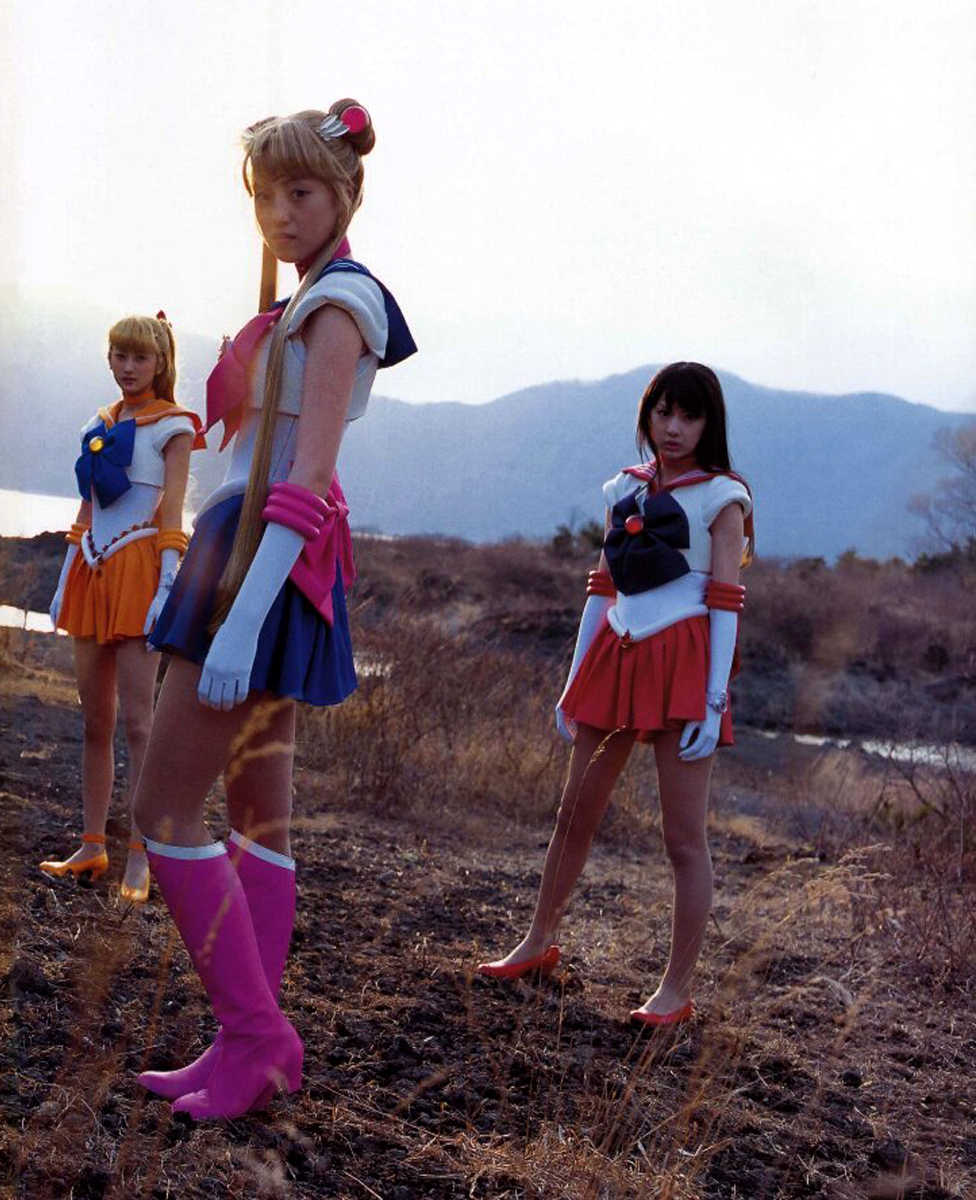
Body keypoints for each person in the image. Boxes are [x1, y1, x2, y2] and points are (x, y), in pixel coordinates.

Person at [131, 100, 416, 1120]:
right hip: (253, 550)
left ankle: (257, 1033)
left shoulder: (339, 306)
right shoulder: (310, 298)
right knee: (258, 820)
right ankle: (242, 1043)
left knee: (162, 812)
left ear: (344, 196)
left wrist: (243, 619)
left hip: (266, 559)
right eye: (266, 194)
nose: (280, 213)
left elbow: (307, 471)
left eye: (301, 193)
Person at [478, 362, 752, 1027]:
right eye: (664, 412)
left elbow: (725, 601)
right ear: (647, 415)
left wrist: (715, 700)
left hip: (685, 667)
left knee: (683, 836)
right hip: (617, 656)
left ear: (709, 423)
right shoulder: (624, 488)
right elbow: (602, 589)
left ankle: (675, 990)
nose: (674, 427)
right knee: (575, 810)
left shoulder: (724, 498)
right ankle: (537, 942)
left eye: (689, 415)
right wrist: (574, 683)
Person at [39, 313, 201, 903]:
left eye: (139, 358)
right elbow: (86, 512)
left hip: (139, 573)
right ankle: (91, 844)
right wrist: (62, 580)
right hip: (89, 567)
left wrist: (166, 587)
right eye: (119, 356)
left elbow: (172, 516)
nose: (128, 367)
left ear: (160, 362)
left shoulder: (175, 427)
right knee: (94, 722)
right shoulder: (97, 422)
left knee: (141, 724)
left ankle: (141, 854)